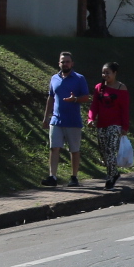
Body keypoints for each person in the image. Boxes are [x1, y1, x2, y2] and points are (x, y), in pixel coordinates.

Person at [42, 51, 91, 187]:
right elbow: (51, 98)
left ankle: (74, 177)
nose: (65, 64)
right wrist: (46, 117)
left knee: (74, 150)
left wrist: (74, 99)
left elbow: (86, 97)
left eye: (67, 62)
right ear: (59, 63)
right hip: (56, 120)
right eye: (62, 62)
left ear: (72, 63)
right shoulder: (54, 78)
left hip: (73, 121)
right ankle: (52, 177)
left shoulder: (79, 78)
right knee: (54, 148)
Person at [90, 61, 132, 189]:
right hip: (101, 124)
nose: (105, 75)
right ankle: (114, 173)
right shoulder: (99, 87)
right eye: (103, 73)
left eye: (108, 72)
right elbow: (94, 105)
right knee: (103, 151)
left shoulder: (121, 88)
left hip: (115, 124)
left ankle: (111, 177)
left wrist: (125, 127)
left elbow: (125, 109)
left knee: (110, 150)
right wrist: (91, 118)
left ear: (114, 73)